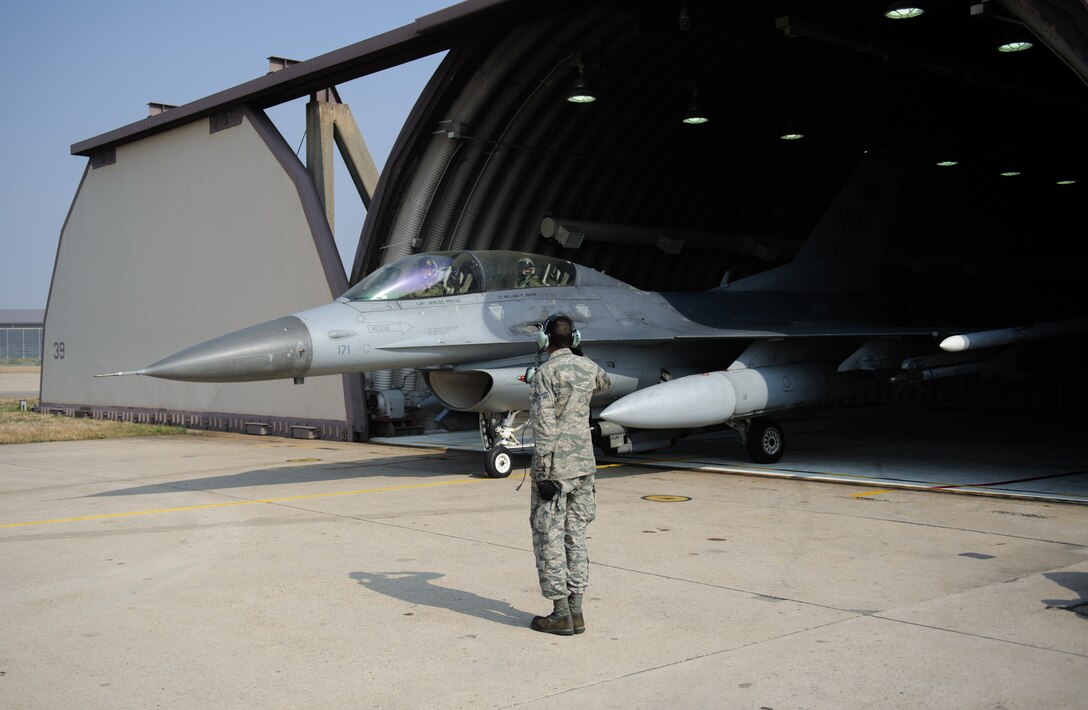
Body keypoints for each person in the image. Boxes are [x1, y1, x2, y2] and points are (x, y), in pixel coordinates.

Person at [528, 314, 611, 636]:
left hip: (556, 468)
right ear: (574, 339)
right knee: (575, 535)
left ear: (544, 341)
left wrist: (544, 472)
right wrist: (580, 354)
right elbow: (605, 384)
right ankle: (577, 611)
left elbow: (544, 423)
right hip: (583, 467)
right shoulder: (588, 368)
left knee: (549, 537)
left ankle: (560, 613)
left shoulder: (545, 374)